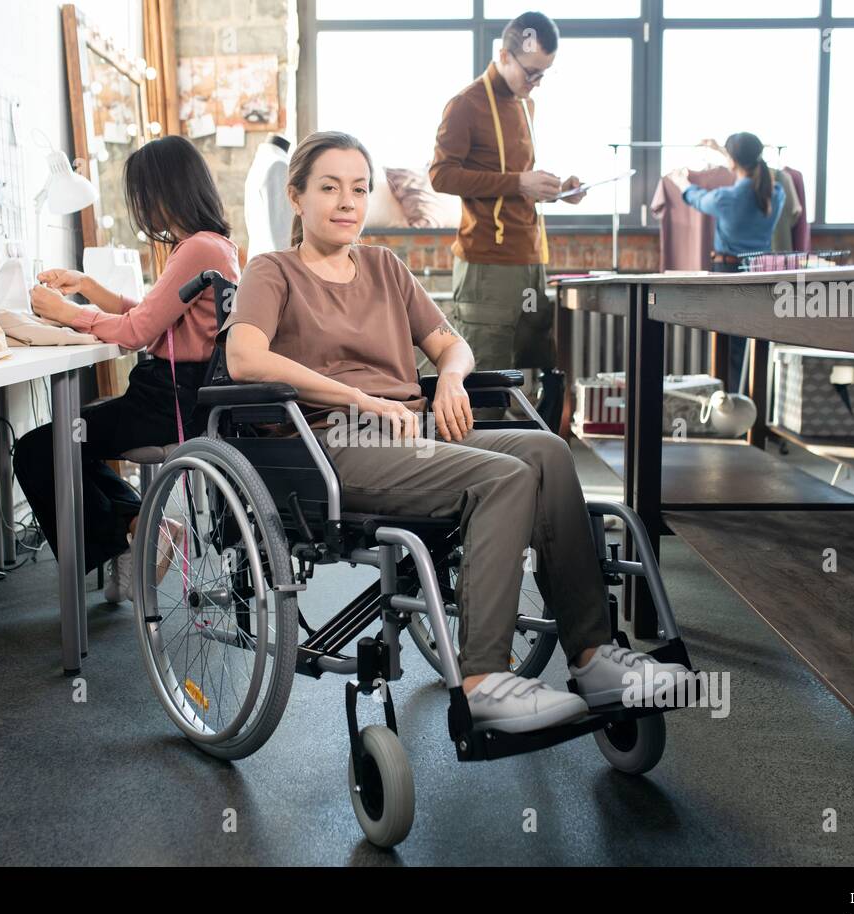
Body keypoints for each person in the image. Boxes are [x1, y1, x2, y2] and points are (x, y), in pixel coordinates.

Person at [223, 131, 685, 733]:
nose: (347, 203)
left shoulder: (385, 267)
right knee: (504, 479)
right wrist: (358, 396)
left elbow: (452, 344)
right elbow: (245, 358)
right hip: (331, 443)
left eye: (359, 189)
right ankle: (484, 681)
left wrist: (450, 381)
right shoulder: (273, 271)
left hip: (410, 433)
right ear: (297, 197)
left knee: (544, 450)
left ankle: (594, 657)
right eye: (330, 188)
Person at [14, 136, 239, 600]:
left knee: (41, 448)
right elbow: (156, 316)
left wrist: (67, 313)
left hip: (167, 401)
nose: (143, 209)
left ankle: (135, 530)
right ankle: (142, 524)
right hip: (183, 397)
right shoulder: (212, 246)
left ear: (161, 192)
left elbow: (137, 331)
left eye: (142, 196)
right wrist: (88, 288)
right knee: (66, 442)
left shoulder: (196, 249)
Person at [430, 11, 586, 416]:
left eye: (543, 75)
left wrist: (554, 190)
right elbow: (441, 175)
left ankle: (526, 473)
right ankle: (480, 475)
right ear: (504, 55)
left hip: (530, 259)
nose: (535, 83)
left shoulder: (525, 104)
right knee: (485, 389)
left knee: (527, 381)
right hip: (487, 265)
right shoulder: (466, 104)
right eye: (531, 72)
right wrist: (518, 183)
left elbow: (514, 178)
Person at [669, 132, 785, 392]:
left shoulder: (727, 199)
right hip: (760, 275)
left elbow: (696, 197)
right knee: (752, 345)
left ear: (732, 162)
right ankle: (749, 408)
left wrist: (680, 181)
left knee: (730, 347)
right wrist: (723, 152)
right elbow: (748, 170)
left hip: (728, 274)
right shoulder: (776, 194)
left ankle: (730, 407)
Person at [245, 133, 294, 257]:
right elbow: (283, 231)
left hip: (261, 260)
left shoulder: (261, 162)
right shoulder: (279, 165)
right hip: (277, 263)